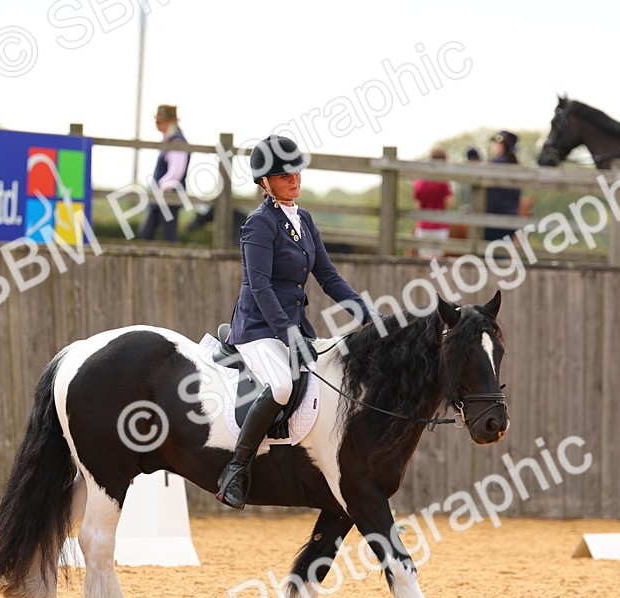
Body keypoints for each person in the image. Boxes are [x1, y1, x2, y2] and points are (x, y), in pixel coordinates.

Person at [216, 135, 373, 510]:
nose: (294, 179)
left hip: (295, 328)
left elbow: (329, 277)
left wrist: (369, 315)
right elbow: (260, 285)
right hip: (258, 327)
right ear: (264, 182)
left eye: (296, 171)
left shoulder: (303, 219)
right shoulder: (259, 225)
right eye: (283, 174)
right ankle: (236, 469)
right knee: (283, 385)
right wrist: (287, 332)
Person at [139, 104, 190, 242]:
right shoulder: (169, 140)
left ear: (169, 122)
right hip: (162, 196)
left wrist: (160, 187)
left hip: (168, 194)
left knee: (168, 236)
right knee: (148, 233)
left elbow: (176, 172)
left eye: (159, 121)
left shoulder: (177, 141)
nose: (156, 124)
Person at [483, 131, 527, 241]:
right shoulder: (516, 165)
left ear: (501, 145)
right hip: (511, 219)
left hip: (491, 218)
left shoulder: (493, 164)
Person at [412, 147, 453, 258]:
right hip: (440, 226)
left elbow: (417, 205)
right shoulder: (443, 181)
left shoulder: (419, 181)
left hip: (423, 226)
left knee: (424, 259)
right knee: (437, 261)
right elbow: (449, 202)